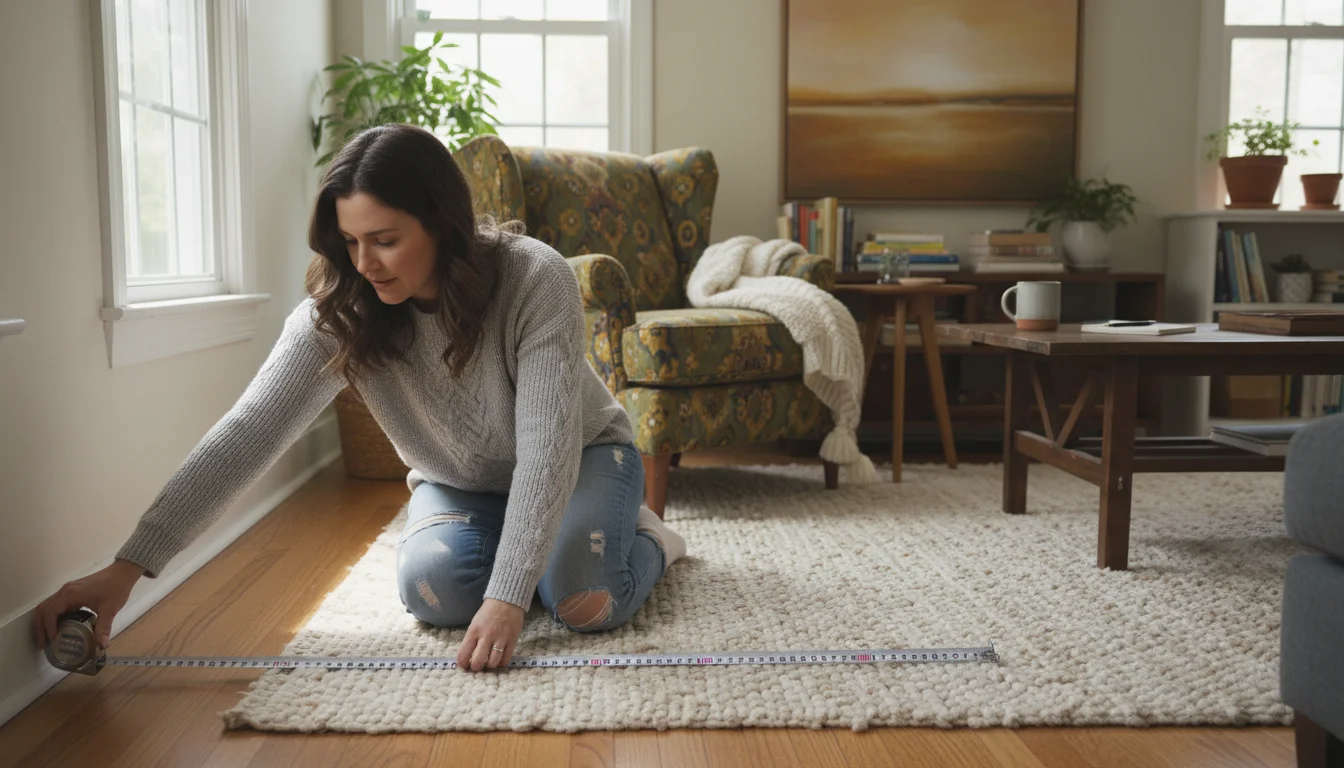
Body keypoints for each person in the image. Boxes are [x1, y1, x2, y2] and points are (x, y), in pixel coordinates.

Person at [33, 123, 686, 672]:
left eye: (385, 240)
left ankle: (648, 539)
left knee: (583, 600)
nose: (365, 263)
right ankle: (544, 550)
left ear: (441, 223)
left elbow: (546, 449)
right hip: (459, 481)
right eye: (350, 242)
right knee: (437, 595)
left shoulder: (533, 276)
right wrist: (126, 569)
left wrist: (512, 597)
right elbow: (249, 432)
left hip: (582, 457)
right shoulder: (341, 309)